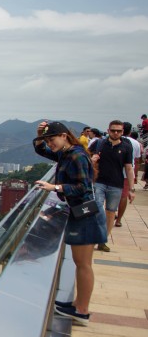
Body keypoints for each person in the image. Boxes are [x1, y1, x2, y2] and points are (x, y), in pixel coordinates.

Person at [33, 120, 105, 325]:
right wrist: (39, 135)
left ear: (64, 136)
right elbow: (44, 152)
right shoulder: (67, 153)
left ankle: (82, 310)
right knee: (80, 262)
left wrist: (54, 188)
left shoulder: (77, 155)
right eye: (47, 140)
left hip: (86, 213)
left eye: (51, 139)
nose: (49, 144)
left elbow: (82, 187)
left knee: (83, 264)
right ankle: (78, 304)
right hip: (80, 211)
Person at [88, 119, 135, 250]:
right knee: (96, 207)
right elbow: (86, 156)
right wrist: (92, 160)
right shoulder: (100, 143)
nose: (115, 133)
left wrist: (131, 189)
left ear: (122, 132)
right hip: (99, 181)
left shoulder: (126, 147)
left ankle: (103, 239)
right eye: (113, 130)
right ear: (108, 130)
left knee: (110, 212)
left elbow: (129, 168)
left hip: (116, 184)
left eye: (118, 131)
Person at [114, 122, 142, 226]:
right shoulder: (136, 143)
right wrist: (135, 176)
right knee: (123, 196)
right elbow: (137, 161)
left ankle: (113, 213)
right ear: (130, 132)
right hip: (127, 174)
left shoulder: (115, 141)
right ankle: (119, 220)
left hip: (115, 173)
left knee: (111, 195)